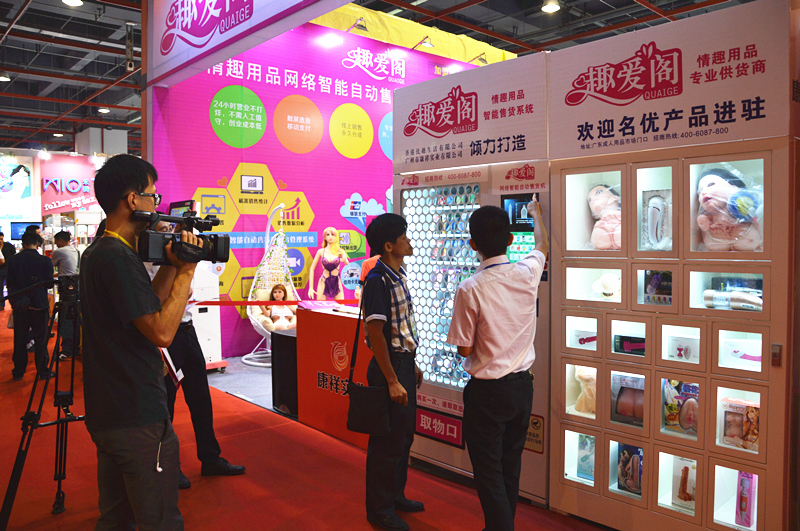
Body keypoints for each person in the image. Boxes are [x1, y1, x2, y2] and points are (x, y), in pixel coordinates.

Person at [81, 154, 199, 530]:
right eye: (152, 194)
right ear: (133, 200)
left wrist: (170, 265)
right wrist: (186, 272)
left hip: (109, 410)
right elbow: (161, 332)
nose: (156, 202)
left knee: (117, 518)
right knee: (158, 519)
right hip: (136, 414)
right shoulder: (117, 257)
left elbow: (145, 308)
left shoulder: (100, 251)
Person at [447, 199, 549, 531]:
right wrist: (535, 215)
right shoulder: (527, 272)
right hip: (522, 388)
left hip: (487, 394)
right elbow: (542, 246)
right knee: (509, 466)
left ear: (472, 244)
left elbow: (464, 348)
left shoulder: (469, 288)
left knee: (488, 472)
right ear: (510, 239)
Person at [145, 221, 246, 490]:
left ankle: (210, 458)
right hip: (165, 337)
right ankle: (169, 466)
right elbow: (157, 300)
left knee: (201, 397)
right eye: (164, 229)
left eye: (173, 228)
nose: (171, 234)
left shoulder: (178, 257)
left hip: (187, 330)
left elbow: (187, 292)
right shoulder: (146, 260)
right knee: (165, 403)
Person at [362, 213, 424, 531]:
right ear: (389, 246)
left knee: (403, 438)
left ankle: (395, 495)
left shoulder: (397, 275)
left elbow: (401, 328)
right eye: (404, 237)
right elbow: (376, 333)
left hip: (403, 363)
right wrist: (391, 379)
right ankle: (380, 509)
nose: (408, 241)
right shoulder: (378, 280)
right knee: (386, 443)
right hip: (391, 369)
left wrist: (412, 363)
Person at [7, 230, 54, 381]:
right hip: (39, 304)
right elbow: (49, 284)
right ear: (38, 244)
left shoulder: (13, 260)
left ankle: (18, 371)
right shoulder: (45, 261)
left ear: (23, 243)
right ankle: (43, 371)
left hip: (21, 305)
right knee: (41, 339)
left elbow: (10, 283)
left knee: (20, 339)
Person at [50, 230, 81, 359]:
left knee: (65, 320)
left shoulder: (59, 252)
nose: (56, 244)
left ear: (61, 240)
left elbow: (50, 266)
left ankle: (67, 350)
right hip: (76, 289)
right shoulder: (76, 251)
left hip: (66, 290)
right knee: (75, 320)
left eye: (56, 242)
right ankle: (75, 348)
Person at [308, 227, 349, 300]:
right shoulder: (321, 251)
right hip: (324, 280)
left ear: (335, 236)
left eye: (332, 234)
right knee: (320, 305)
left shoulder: (340, 251)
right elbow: (312, 268)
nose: (330, 236)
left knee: (341, 305)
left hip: (336, 281)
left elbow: (347, 263)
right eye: (328, 234)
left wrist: (344, 259)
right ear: (324, 237)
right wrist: (311, 288)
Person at [587, 184, 621, 250]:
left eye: (599, 192)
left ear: (615, 197)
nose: (593, 198)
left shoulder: (624, 218)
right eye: (590, 200)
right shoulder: (599, 226)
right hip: (602, 227)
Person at [0, 231, 16, 309]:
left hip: (8, 269)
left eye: (1, 239)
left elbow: (14, 256)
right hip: (0, 269)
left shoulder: (8, 246)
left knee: (10, 287)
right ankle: (1, 305)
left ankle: (13, 303)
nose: (0, 241)